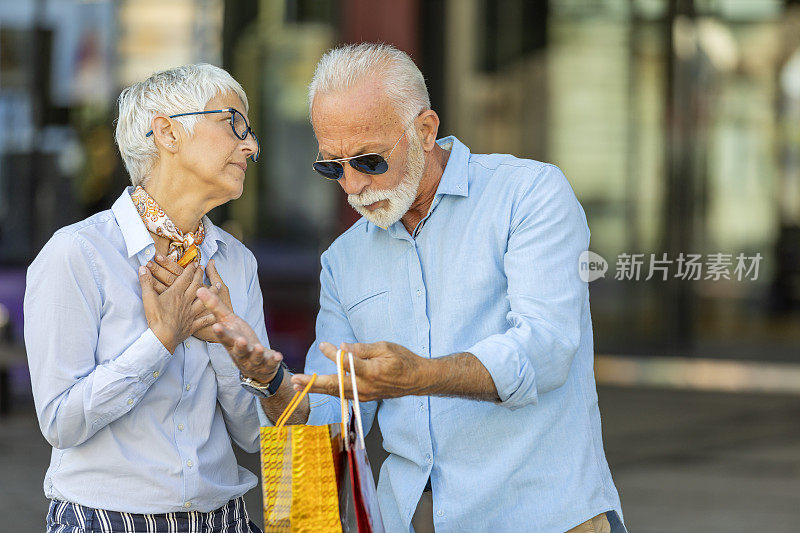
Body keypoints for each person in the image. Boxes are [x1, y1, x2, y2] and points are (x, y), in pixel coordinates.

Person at [198, 43, 626, 533]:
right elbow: (323, 428)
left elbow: (545, 350)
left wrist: (420, 376)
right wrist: (268, 379)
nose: (353, 186)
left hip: (548, 519)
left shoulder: (528, 195)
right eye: (332, 167)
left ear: (426, 130)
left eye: (370, 161)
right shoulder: (343, 260)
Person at [24, 63, 270, 532]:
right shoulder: (77, 254)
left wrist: (222, 339)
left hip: (223, 520)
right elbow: (60, 422)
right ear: (168, 133)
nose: (251, 145)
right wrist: (160, 340)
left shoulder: (236, 263)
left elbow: (253, 435)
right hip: (102, 519)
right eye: (233, 123)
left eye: (250, 130)